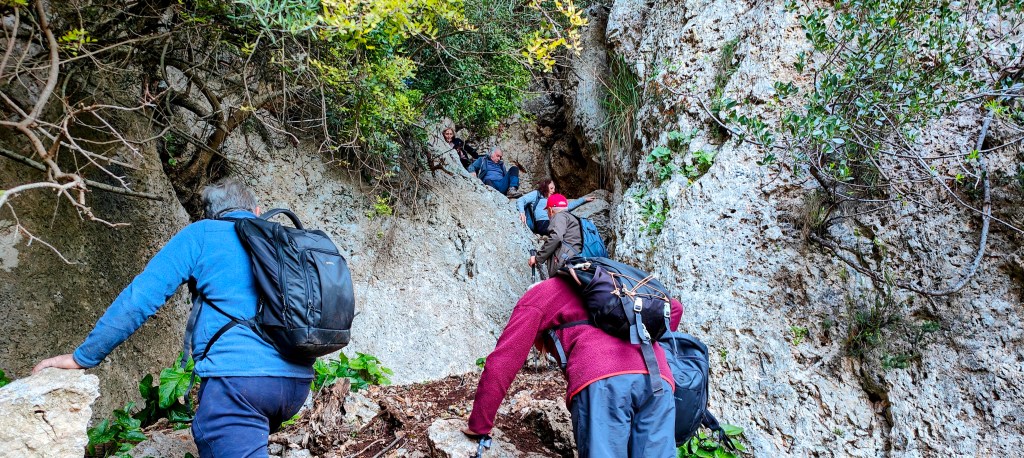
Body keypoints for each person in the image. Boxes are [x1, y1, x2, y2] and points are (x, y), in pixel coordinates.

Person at [32, 177, 313, 458]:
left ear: (212, 215)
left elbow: (139, 299)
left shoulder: (202, 234)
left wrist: (83, 357)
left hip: (239, 386)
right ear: (256, 210)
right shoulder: (285, 239)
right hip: (296, 383)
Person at [462, 276, 682, 457]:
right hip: (658, 380)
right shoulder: (618, 283)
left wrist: (479, 425)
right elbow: (675, 308)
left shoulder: (539, 296)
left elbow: (503, 362)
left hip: (603, 382)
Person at [528, 194, 581, 278]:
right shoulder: (573, 219)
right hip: (576, 262)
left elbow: (556, 237)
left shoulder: (559, 216)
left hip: (566, 264)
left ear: (550, 210)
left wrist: (537, 258)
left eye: (547, 212)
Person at [517, 179, 595, 235]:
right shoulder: (537, 194)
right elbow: (521, 200)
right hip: (542, 223)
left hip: (554, 220)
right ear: (545, 187)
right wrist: (522, 212)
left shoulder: (553, 199)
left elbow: (567, 207)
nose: (553, 190)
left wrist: (583, 199)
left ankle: (586, 226)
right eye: (551, 188)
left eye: (554, 188)